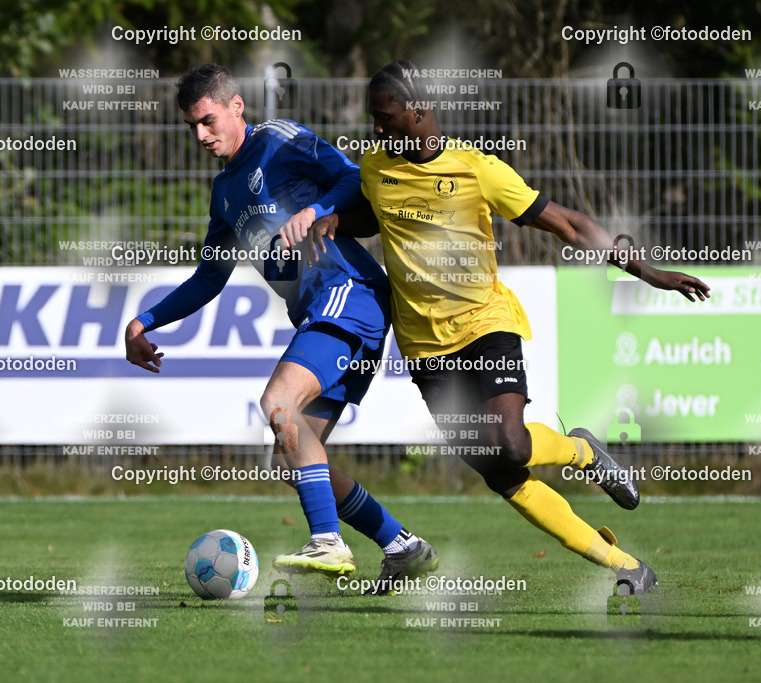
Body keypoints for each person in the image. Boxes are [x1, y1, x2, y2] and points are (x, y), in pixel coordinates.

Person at [303, 60, 711, 594]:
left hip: (484, 325)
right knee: (503, 476)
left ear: (421, 109)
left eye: (386, 116)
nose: (376, 129)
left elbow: (567, 223)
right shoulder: (377, 164)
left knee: (514, 445)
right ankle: (626, 567)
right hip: (424, 350)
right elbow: (376, 214)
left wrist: (645, 270)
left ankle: (582, 452)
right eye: (372, 119)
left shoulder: (478, 170)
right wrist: (336, 217)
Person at [124, 63, 437, 587]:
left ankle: (328, 543)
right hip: (324, 314)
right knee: (292, 456)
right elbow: (209, 278)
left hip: (348, 295)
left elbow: (354, 178)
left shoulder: (278, 140)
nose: (201, 135)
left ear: (235, 107)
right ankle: (401, 545)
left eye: (207, 120)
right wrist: (144, 320)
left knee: (277, 404)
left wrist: (316, 208)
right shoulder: (224, 194)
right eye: (192, 127)